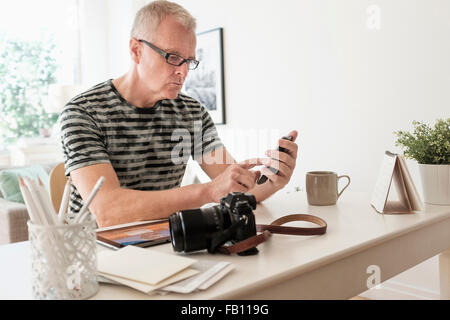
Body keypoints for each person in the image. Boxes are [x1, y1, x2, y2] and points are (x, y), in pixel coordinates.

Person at [59, 0, 298, 228]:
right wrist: (207, 191)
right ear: (136, 50)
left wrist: (274, 181)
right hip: (93, 253)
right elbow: (108, 212)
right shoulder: (83, 113)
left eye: (189, 61)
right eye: (172, 57)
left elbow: (237, 189)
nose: (183, 71)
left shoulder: (191, 113)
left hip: (165, 244)